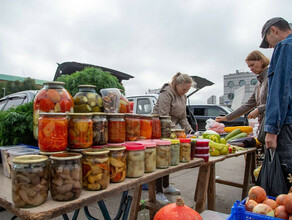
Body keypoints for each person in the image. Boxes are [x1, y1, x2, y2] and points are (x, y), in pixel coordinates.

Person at [152, 72, 194, 205]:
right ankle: (158, 192)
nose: (185, 92)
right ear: (177, 85)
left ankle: (166, 186)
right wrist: (179, 131)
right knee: (160, 159)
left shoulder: (183, 97)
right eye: (184, 89)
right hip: (158, 128)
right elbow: (163, 115)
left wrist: (189, 130)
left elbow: (182, 117)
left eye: (187, 90)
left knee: (169, 157)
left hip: (172, 130)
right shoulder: (167, 93)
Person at [259, 17, 292, 173]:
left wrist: (271, 130)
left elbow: (279, 90)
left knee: (286, 178)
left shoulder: (285, 46)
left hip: (288, 124)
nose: (271, 46)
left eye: (268, 42)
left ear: (273, 30)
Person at [215, 50, 270, 130]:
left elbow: (279, 101)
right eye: (249, 67)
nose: (251, 68)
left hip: (275, 124)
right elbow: (248, 105)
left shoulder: (271, 77)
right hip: (265, 123)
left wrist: (259, 109)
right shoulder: (258, 83)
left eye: (252, 65)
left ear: (261, 61)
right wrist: (226, 118)